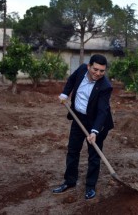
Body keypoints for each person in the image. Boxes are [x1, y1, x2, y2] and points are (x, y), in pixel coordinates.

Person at [52, 54, 114, 200]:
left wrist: (94, 131)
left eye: (102, 71)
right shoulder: (80, 70)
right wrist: (64, 94)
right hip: (78, 117)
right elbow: (71, 80)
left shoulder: (105, 86)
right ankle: (70, 181)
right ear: (88, 66)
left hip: (97, 123)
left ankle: (90, 186)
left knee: (94, 155)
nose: (98, 73)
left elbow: (102, 111)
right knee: (73, 151)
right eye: (95, 69)